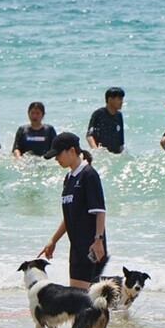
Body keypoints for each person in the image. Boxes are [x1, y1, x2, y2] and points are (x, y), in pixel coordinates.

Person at [39, 132, 108, 289]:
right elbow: (70, 215)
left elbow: (100, 211)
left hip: (90, 246)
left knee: (81, 302)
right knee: (85, 303)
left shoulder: (88, 175)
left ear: (72, 150)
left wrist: (98, 240)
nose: (56, 159)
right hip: (76, 248)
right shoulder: (69, 178)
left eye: (58, 154)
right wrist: (53, 241)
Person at [86, 87, 125, 153]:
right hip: (102, 154)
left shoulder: (119, 115)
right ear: (110, 99)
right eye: (119, 99)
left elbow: (120, 140)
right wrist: (96, 151)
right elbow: (89, 136)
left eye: (122, 99)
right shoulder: (98, 114)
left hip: (115, 154)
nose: (122, 102)